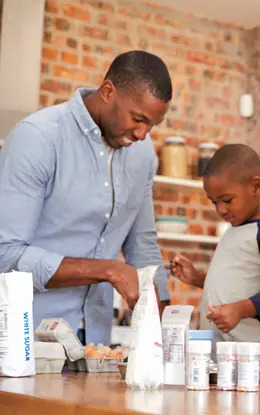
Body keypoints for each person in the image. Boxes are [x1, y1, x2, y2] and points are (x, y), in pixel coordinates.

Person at [0, 50, 172, 345]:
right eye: (138, 118)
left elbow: (142, 245)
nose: (143, 134)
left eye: (152, 125)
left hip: (96, 343)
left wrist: (168, 330)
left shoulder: (142, 156)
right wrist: (108, 270)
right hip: (25, 341)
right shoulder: (38, 138)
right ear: (108, 92)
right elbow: (6, 254)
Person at [170, 144, 260, 348]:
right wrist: (198, 278)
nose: (221, 209)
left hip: (254, 354)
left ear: (256, 187)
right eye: (214, 202)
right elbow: (238, 285)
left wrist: (240, 310)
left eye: (227, 200)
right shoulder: (233, 231)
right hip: (223, 352)